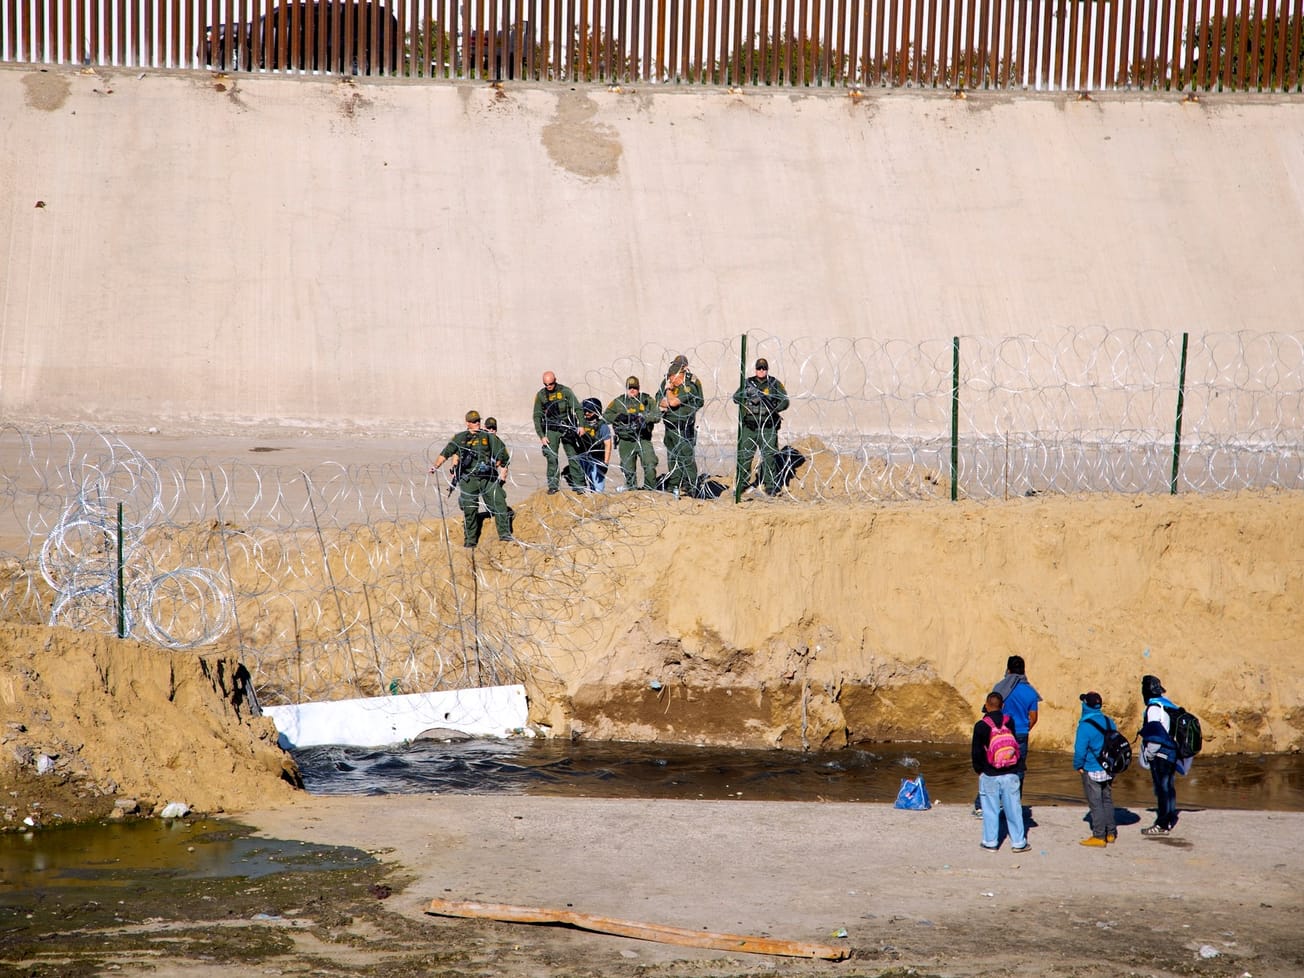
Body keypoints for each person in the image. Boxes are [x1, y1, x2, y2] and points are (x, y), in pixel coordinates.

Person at [430, 410, 512, 547]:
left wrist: (498, 464)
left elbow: (502, 453)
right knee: (470, 510)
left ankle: (504, 535)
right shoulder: (460, 437)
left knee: (499, 504)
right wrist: (435, 466)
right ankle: (470, 541)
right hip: (469, 479)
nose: (477, 423)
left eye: (478, 421)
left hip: (487, 478)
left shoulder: (488, 437)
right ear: (467, 423)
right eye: (474, 422)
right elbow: (446, 452)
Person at [973, 655, 1040, 816]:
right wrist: (1023, 730)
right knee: (1017, 769)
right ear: (1023, 671)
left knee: (993, 767)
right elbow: (1034, 718)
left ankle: (982, 804)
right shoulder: (1030, 692)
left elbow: (993, 709)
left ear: (1008, 669)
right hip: (1021, 735)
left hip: (999, 734)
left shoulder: (1000, 687)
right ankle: (1013, 805)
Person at [971, 691, 1029, 853]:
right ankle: (1018, 843)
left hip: (990, 773)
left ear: (987, 705)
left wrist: (979, 770)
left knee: (990, 809)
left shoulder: (981, 726)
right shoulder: (1009, 721)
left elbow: (976, 751)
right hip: (1011, 772)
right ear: (1002, 706)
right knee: (1014, 809)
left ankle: (990, 842)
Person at [731, 357, 790, 496]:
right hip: (749, 428)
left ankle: (771, 486)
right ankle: (742, 484)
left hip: (768, 427)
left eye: (764, 368)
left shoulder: (774, 383)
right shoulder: (747, 383)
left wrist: (774, 409)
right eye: (759, 368)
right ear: (755, 369)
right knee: (745, 456)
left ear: (767, 370)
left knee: (769, 456)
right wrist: (747, 394)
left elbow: (785, 401)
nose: (761, 371)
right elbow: (735, 397)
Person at [1072, 691, 1119, 848]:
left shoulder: (1085, 726)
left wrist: (1078, 766)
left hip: (1092, 768)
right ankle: (1111, 833)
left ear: (1085, 705)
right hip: (1109, 768)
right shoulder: (1109, 721)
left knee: (1096, 803)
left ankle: (1099, 836)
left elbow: (1080, 750)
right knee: (1107, 799)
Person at [1138, 674, 1181, 836]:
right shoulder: (1166, 706)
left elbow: (1155, 738)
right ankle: (1169, 818)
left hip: (1161, 756)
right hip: (1171, 753)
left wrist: (1148, 755)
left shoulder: (1154, 709)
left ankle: (1162, 824)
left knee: (1163, 789)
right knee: (1169, 788)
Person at [656, 355, 705, 497]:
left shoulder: (690, 385)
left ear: (680, 374)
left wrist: (668, 391)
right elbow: (659, 401)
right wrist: (666, 397)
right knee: (673, 457)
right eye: (669, 377)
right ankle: (674, 485)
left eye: (672, 377)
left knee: (686, 456)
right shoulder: (667, 381)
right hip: (670, 425)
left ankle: (692, 486)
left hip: (683, 426)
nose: (670, 380)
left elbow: (672, 403)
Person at [604, 376, 661, 491]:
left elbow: (657, 415)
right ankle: (631, 490)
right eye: (630, 388)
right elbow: (605, 416)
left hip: (643, 439)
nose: (632, 390)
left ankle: (650, 489)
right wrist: (619, 416)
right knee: (627, 468)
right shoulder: (619, 402)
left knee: (650, 464)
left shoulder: (647, 400)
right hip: (626, 441)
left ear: (639, 388)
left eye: (635, 388)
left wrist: (644, 418)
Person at [532, 371, 583, 494]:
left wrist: (581, 425)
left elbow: (577, 408)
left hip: (566, 427)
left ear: (555, 380)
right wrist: (542, 436)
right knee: (551, 458)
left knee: (573, 455)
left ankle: (579, 485)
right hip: (551, 429)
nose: (549, 386)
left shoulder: (565, 391)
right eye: (546, 384)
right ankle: (553, 485)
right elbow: (537, 415)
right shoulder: (541, 395)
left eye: (551, 384)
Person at [576, 397, 614, 493]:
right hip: (583, 455)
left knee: (598, 487)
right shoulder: (581, 424)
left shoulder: (602, 426)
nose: (587, 414)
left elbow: (608, 445)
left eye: (590, 411)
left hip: (597, 458)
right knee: (582, 481)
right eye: (585, 411)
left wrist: (605, 463)